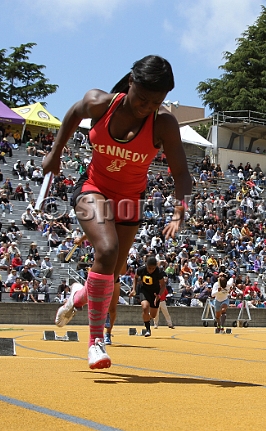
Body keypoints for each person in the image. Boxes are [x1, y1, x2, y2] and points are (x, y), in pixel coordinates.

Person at [47, 55, 191, 369]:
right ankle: (96, 342)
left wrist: (179, 213)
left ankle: (78, 296)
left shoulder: (163, 122)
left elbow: (181, 173)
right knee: (107, 249)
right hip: (93, 188)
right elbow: (73, 112)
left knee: (110, 276)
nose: (146, 107)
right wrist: (55, 153)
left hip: (129, 200)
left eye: (156, 102)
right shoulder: (100, 103)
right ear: (130, 83)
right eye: (142, 98)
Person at [129, 256, 167, 338]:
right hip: (144, 291)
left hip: (155, 293)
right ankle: (148, 329)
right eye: (149, 268)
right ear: (146, 265)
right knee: (145, 307)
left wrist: (159, 295)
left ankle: (146, 319)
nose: (151, 270)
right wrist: (133, 289)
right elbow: (135, 277)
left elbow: (163, 285)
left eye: (153, 268)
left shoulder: (158, 272)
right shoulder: (141, 269)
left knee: (153, 315)